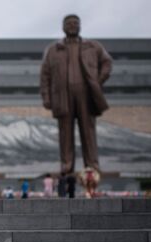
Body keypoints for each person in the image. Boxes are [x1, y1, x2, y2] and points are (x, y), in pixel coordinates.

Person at [40, 14, 112, 176]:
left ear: (80, 26)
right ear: (63, 27)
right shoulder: (53, 50)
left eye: (75, 23)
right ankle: (67, 166)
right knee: (65, 133)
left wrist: (98, 81)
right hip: (63, 97)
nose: (72, 25)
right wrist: (46, 97)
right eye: (69, 23)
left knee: (88, 131)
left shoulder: (93, 46)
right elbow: (45, 75)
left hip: (86, 96)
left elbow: (107, 62)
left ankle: (92, 167)